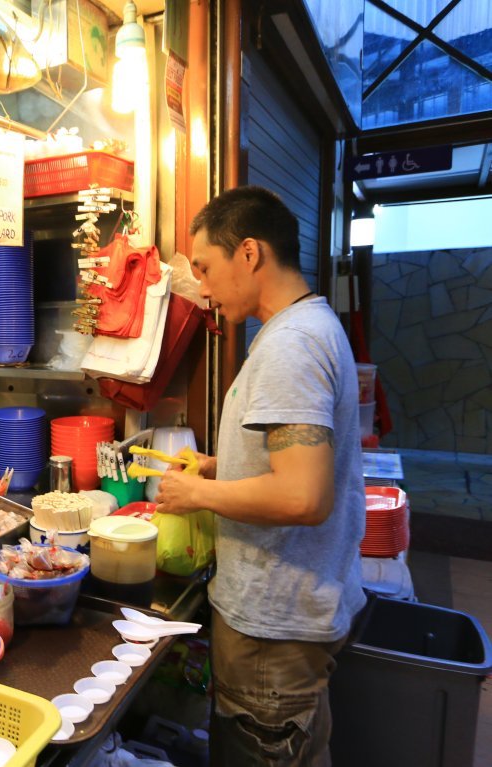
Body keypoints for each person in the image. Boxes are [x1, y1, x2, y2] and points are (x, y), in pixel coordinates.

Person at [154, 186, 365, 767]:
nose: (200, 286)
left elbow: (303, 495)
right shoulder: (307, 327)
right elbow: (295, 460)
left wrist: (198, 491)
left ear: (249, 253)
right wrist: (221, 467)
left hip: (277, 624)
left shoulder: (289, 347)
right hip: (298, 610)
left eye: (204, 267)